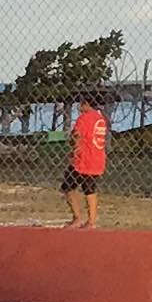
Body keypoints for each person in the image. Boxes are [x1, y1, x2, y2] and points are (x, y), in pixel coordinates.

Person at [62, 95, 109, 227]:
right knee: (90, 189)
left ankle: (77, 217)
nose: (80, 106)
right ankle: (91, 220)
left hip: (83, 159)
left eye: (81, 103)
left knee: (68, 187)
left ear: (86, 104)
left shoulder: (84, 118)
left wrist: (74, 149)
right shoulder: (100, 118)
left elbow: (77, 135)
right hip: (97, 158)